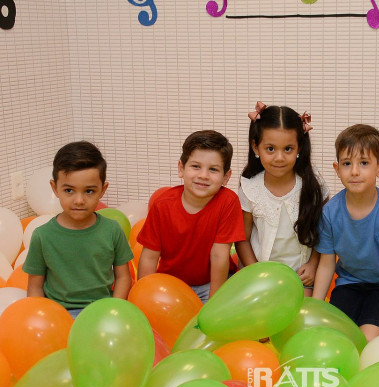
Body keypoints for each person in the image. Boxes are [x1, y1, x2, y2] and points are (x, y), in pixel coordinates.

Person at [312, 124, 379, 341]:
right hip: (348, 285)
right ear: (337, 168)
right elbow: (326, 264)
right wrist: (316, 308)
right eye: (347, 163)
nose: (355, 171)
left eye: (364, 163)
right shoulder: (330, 212)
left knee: (366, 340)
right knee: (336, 338)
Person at [24, 141, 133, 318]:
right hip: (59, 315)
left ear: (102, 190)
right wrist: (42, 318)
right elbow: (35, 288)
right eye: (69, 190)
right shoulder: (42, 236)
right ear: (55, 188)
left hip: (101, 312)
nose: (79, 200)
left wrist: (114, 310)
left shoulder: (112, 230)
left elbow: (123, 277)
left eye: (89, 191)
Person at [137, 130, 245, 303]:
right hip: (171, 283)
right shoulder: (163, 205)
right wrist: (144, 297)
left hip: (213, 283)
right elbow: (149, 257)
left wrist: (214, 302)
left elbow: (219, 255)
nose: (203, 175)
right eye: (196, 166)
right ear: (181, 168)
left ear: (226, 177)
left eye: (213, 169)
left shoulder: (228, 202)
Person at [235, 102, 329, 297]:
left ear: (299, 147)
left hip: (301, 277)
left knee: (300, 310)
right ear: (256, 147)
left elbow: (326, 230)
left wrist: (313, 264)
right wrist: (256, 272)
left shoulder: (312, 184)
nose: (279, 157)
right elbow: (242, 239)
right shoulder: (250, 188)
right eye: (270, 149)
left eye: (288, 149)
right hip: (260, 277)